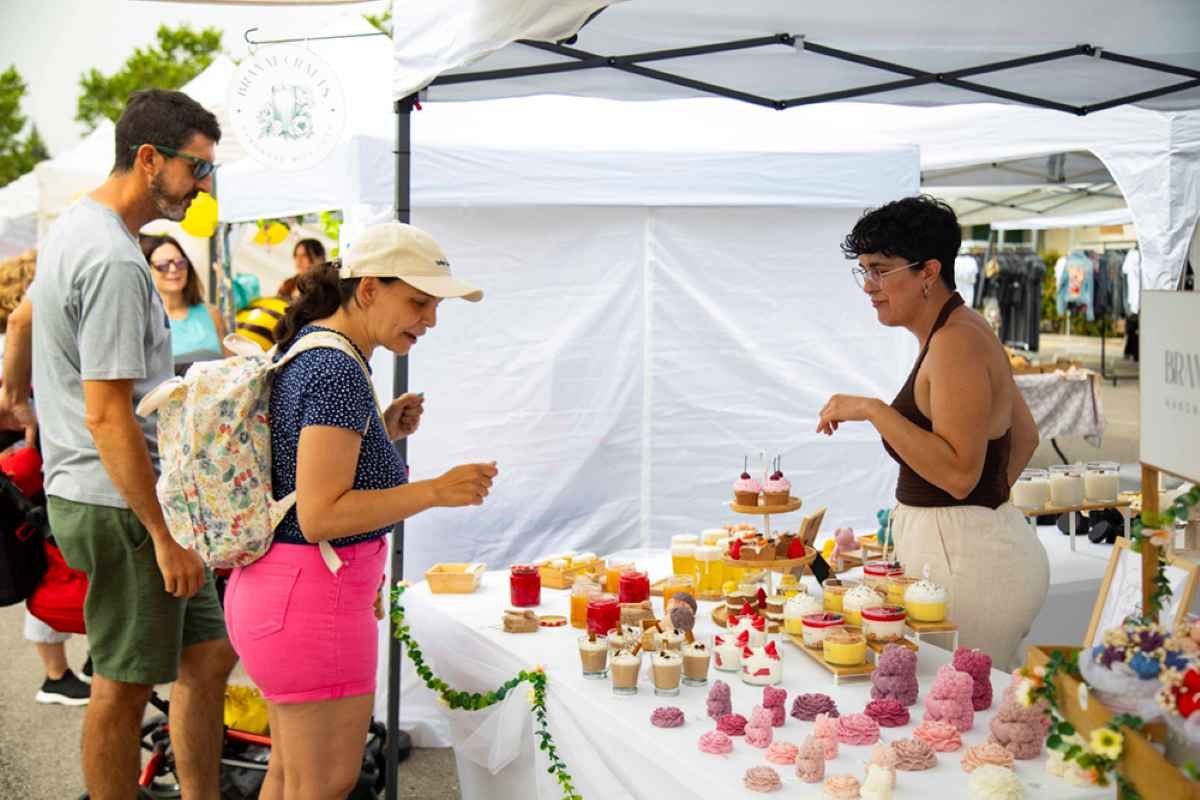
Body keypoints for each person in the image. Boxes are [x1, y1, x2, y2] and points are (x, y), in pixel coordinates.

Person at [0, 89, 238, 798]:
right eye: (197, 170)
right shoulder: (113, 259)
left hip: (120, 493)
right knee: (124, 683)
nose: (203, 187)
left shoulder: (79, 224)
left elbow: (24, 317)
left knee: (210, 653)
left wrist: (17, 396)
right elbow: (109, 416)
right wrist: (163, 534)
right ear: (147, 158)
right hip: (121, 502)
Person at [223, 221, 498, 799]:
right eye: (418, 301)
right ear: (368, 289)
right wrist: (435, 490)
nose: (429, 319)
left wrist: (379, 428)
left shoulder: (324, 354)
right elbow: (322, 514)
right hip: (311, 596)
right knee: (323, 784)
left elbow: (307, 477)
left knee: (293, 779)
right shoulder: (337, 369)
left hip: (290, 592)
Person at [817, 195, 1048, 670]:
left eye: (881, 270)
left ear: (928, 271)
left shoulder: (956, 341)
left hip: (970, 565)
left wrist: (874, 410)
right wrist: (985, 511)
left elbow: (961, 475)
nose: (869, 286)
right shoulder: (960, 330)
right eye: (863, 270)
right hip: (970, 552)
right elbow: (1025, 437)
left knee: (963, 716)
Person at [141, 233, 227, 362]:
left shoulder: (212, 314)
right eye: (162, 265)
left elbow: (232, 368)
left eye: (180, 263)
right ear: (147, 271)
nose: (173, 269)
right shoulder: (142, 321)